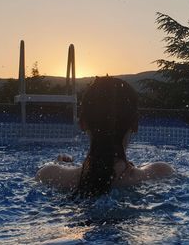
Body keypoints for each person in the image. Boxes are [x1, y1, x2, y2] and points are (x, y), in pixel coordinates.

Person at [35, 76, 174, 196]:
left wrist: (58, 164)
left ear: (82, 123)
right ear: (135, 125)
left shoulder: (49, 175)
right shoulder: (161, 173)